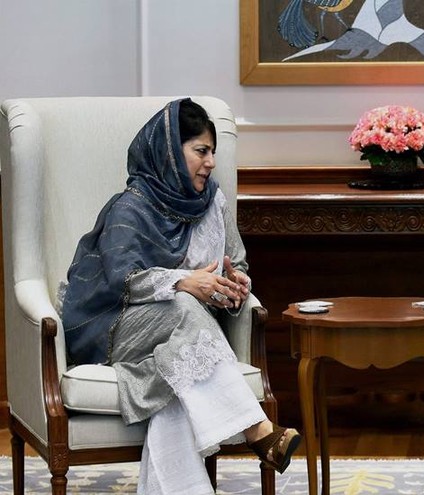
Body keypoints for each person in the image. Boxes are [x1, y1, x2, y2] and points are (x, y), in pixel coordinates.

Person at [60, 98, 301, 494]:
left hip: (187, 331)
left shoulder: (212, 201)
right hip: (116, 326)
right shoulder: (129, 208)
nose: (210, 163)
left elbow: (237, 262)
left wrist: (235, 286)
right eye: (200, 151)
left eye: (213, 152)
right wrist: (185, 282)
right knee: (183, 304)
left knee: (179, 372)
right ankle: (257, 429)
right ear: (170, 152)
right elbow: (123, 280)